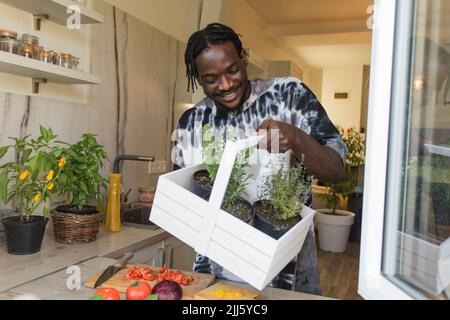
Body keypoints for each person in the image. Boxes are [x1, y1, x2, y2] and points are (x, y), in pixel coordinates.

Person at [172, 23, 346, 295]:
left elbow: (336, 171)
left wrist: (297, 139)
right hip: (215, 273)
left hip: (288, 270)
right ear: (197, 77)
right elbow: (183, 202)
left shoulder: (290, 95)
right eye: (211, 79)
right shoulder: (192, 122)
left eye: (232, 70)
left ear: (244, 58)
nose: (226, 85)